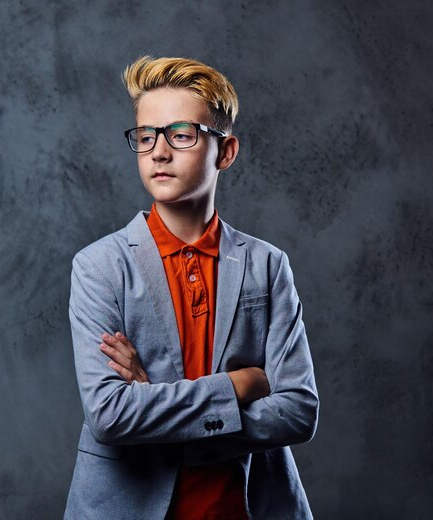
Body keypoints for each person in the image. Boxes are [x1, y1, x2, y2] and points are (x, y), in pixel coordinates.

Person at [64, 56, 319, 520]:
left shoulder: (266, 265)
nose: (159, 152)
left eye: (181, 135)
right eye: (146, 137)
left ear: (225, 152)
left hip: (246, 507)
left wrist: (154, 399)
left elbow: (298, 411)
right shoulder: (99, 267)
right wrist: (240, 385)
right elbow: (111, 416)